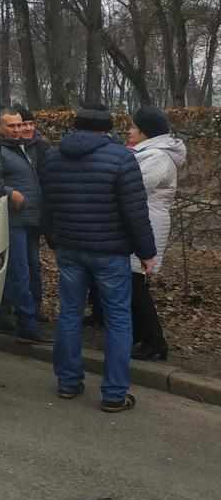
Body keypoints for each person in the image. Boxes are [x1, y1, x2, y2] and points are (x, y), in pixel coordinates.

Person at [41, 105, 156, 412]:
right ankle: (114, 394)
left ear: (75, 126)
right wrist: (147, 252)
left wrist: (54, 239)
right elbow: (135, 211)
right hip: (110, 252)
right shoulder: (121, 158)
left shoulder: (52, 157)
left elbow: (47, 205)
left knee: (69, 314)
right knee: (119, 319)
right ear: (108, 129)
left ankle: (67, 383)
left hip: (69, 249)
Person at [127, 106, 186, 361]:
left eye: (133, 127)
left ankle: (155, 343)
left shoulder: (157, 157)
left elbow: (134, 187)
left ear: (145, 132)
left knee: (136, 284)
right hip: (144, 221)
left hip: (147, 223)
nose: (129, 131)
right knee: (134, 283)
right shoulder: (150, 152)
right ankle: (142, 336)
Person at [0, 107, 49, 344]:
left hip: (30, 220)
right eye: (12, 126)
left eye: (20, 125)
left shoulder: (20, 149)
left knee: (30, 268)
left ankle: (18, 315)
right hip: (14, 221)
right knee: (20, 273)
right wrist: (9, 193)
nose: (18, 130)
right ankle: (26, 324)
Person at [17, 106, 49, 320]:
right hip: (18, 214)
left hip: (36, 214)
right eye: (23, 124)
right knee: (20, 264)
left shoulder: (42, 147)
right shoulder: (10, 147)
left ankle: (35, 307)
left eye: (31, 123)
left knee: (33, 263)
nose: (28, 128)